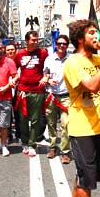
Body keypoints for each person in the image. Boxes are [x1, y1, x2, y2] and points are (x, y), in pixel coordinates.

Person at [63, 19, 100, 197]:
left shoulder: (99, 58)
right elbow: (93, 86)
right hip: (83, 130)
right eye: (91, 32)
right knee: (86, 181)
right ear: (80, 38)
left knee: (86, 177)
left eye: (97, 31)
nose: (96, 35)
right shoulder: (72, 62)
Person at [13, 30, 48, 157]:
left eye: (36, 40)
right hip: (22, 90)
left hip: (37, 91)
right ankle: (25, 141)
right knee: (22, 119)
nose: (35, 42)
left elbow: (48, 68)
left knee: (35, 120)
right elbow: (14, 70)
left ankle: (32, 144)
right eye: (33, 40)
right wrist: (13, 79)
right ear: (27, 41)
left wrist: (46, 77)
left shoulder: (43, 53)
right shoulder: (20, 54)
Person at [43, 34, 71, 163]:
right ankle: (52, 147)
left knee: (66, 124)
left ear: (67, 45)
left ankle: (65, 151)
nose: (61, 46)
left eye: (64, 44)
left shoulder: (71, 59)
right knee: (51, 123)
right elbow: (45, 75)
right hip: (51, 95)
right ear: (56, 44)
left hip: (66, 96)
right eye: (59, 43)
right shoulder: (49, 59)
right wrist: (48, 80)